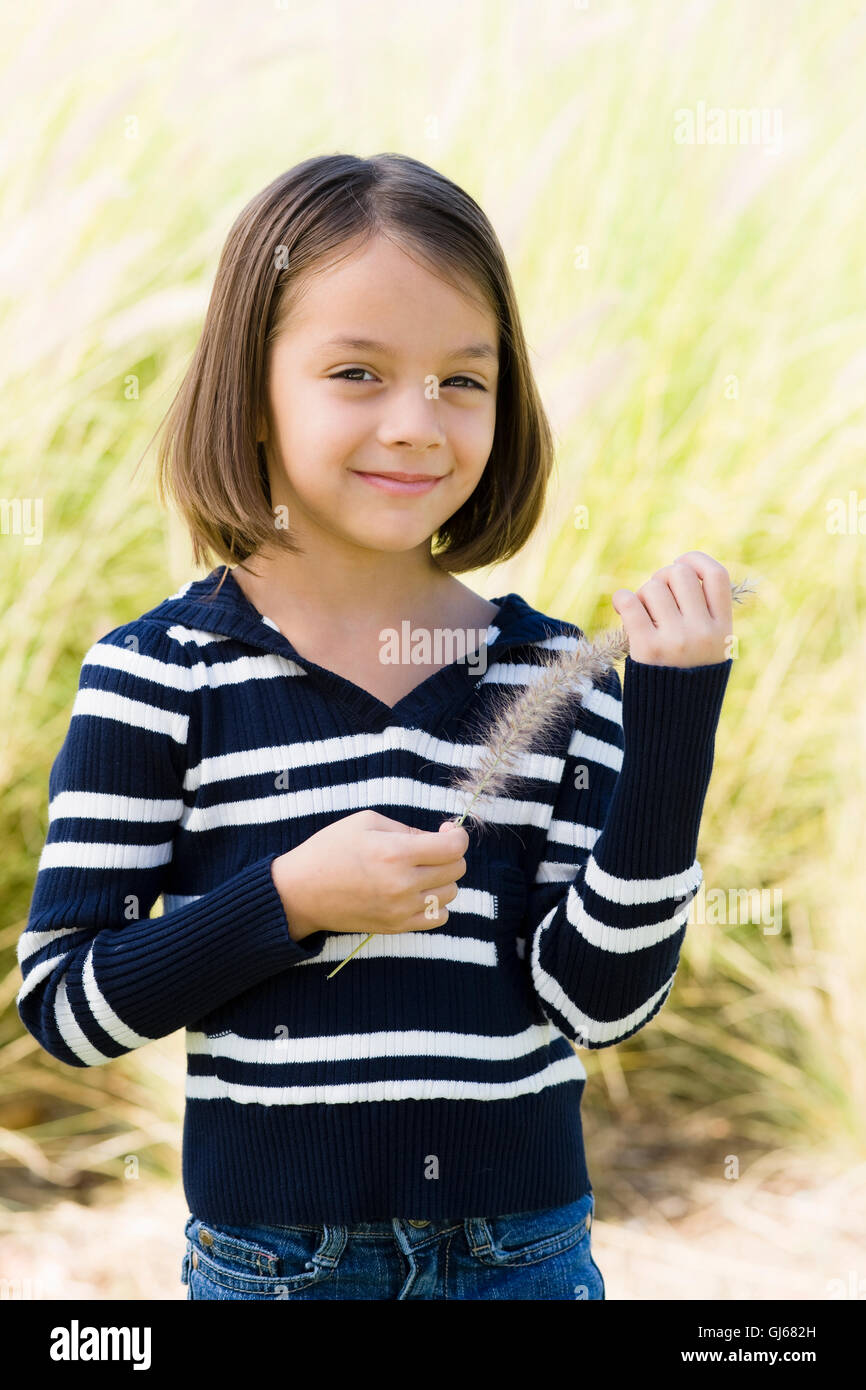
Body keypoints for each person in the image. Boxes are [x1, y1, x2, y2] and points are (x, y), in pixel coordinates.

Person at [16, 153, 733, 1300]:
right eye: (356, 372)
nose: (415, 425)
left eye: (462, 380)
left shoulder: (554, 677)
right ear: (250, 392)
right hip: (277, 1265)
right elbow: (65, 1005)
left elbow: (600, 1003)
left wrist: (674, 719)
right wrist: (288, 900)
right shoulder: (158, 676)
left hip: (522, 1259)